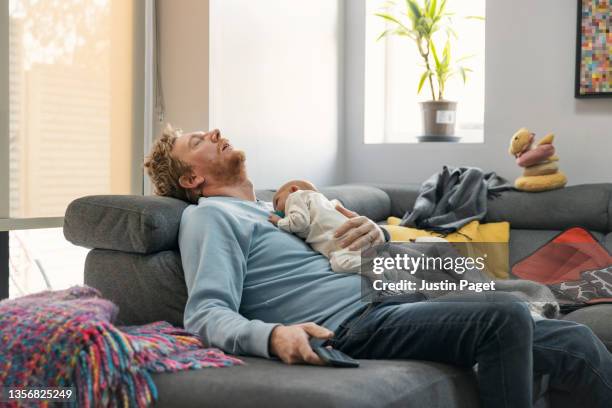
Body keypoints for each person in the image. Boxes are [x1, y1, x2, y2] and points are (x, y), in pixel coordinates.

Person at [144, 125, 612, 408]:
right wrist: (272, 334)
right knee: (503, 316)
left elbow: (347, 249)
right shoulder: (209, 217)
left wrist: (378, 232)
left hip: (391, 297)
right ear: (192, 178)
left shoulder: (282, 208)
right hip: (353, 324)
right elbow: (205, 314)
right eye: (199, 141)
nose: (216, 134)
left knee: (578, 339)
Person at [269, 179, 361, 273]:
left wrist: (279, 221)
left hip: (340, 242)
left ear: (293, 189)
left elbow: (299, 222)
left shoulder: (296, 196)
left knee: (340, 266)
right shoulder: (328, 203)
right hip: (353, 239)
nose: (277, 211)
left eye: (277, 202)